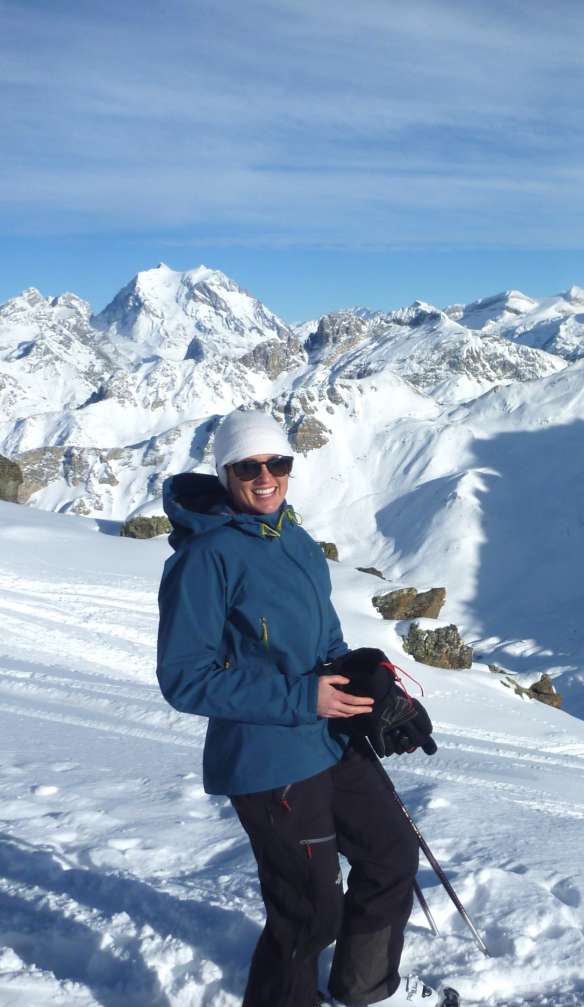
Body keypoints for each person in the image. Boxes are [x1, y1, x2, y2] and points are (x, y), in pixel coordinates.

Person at [156, 409, 441, 1007]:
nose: (265, 477)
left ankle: (365, 989)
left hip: (328, 735)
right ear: (225, 472)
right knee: (308, 907)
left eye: (277, 463)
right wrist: (301, 696)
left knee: (390, 851)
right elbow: (184, 680)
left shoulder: (296, 539)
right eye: (248, 466)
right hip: (267, 760)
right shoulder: (203, 561)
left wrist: (371, 686)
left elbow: (326, 643)